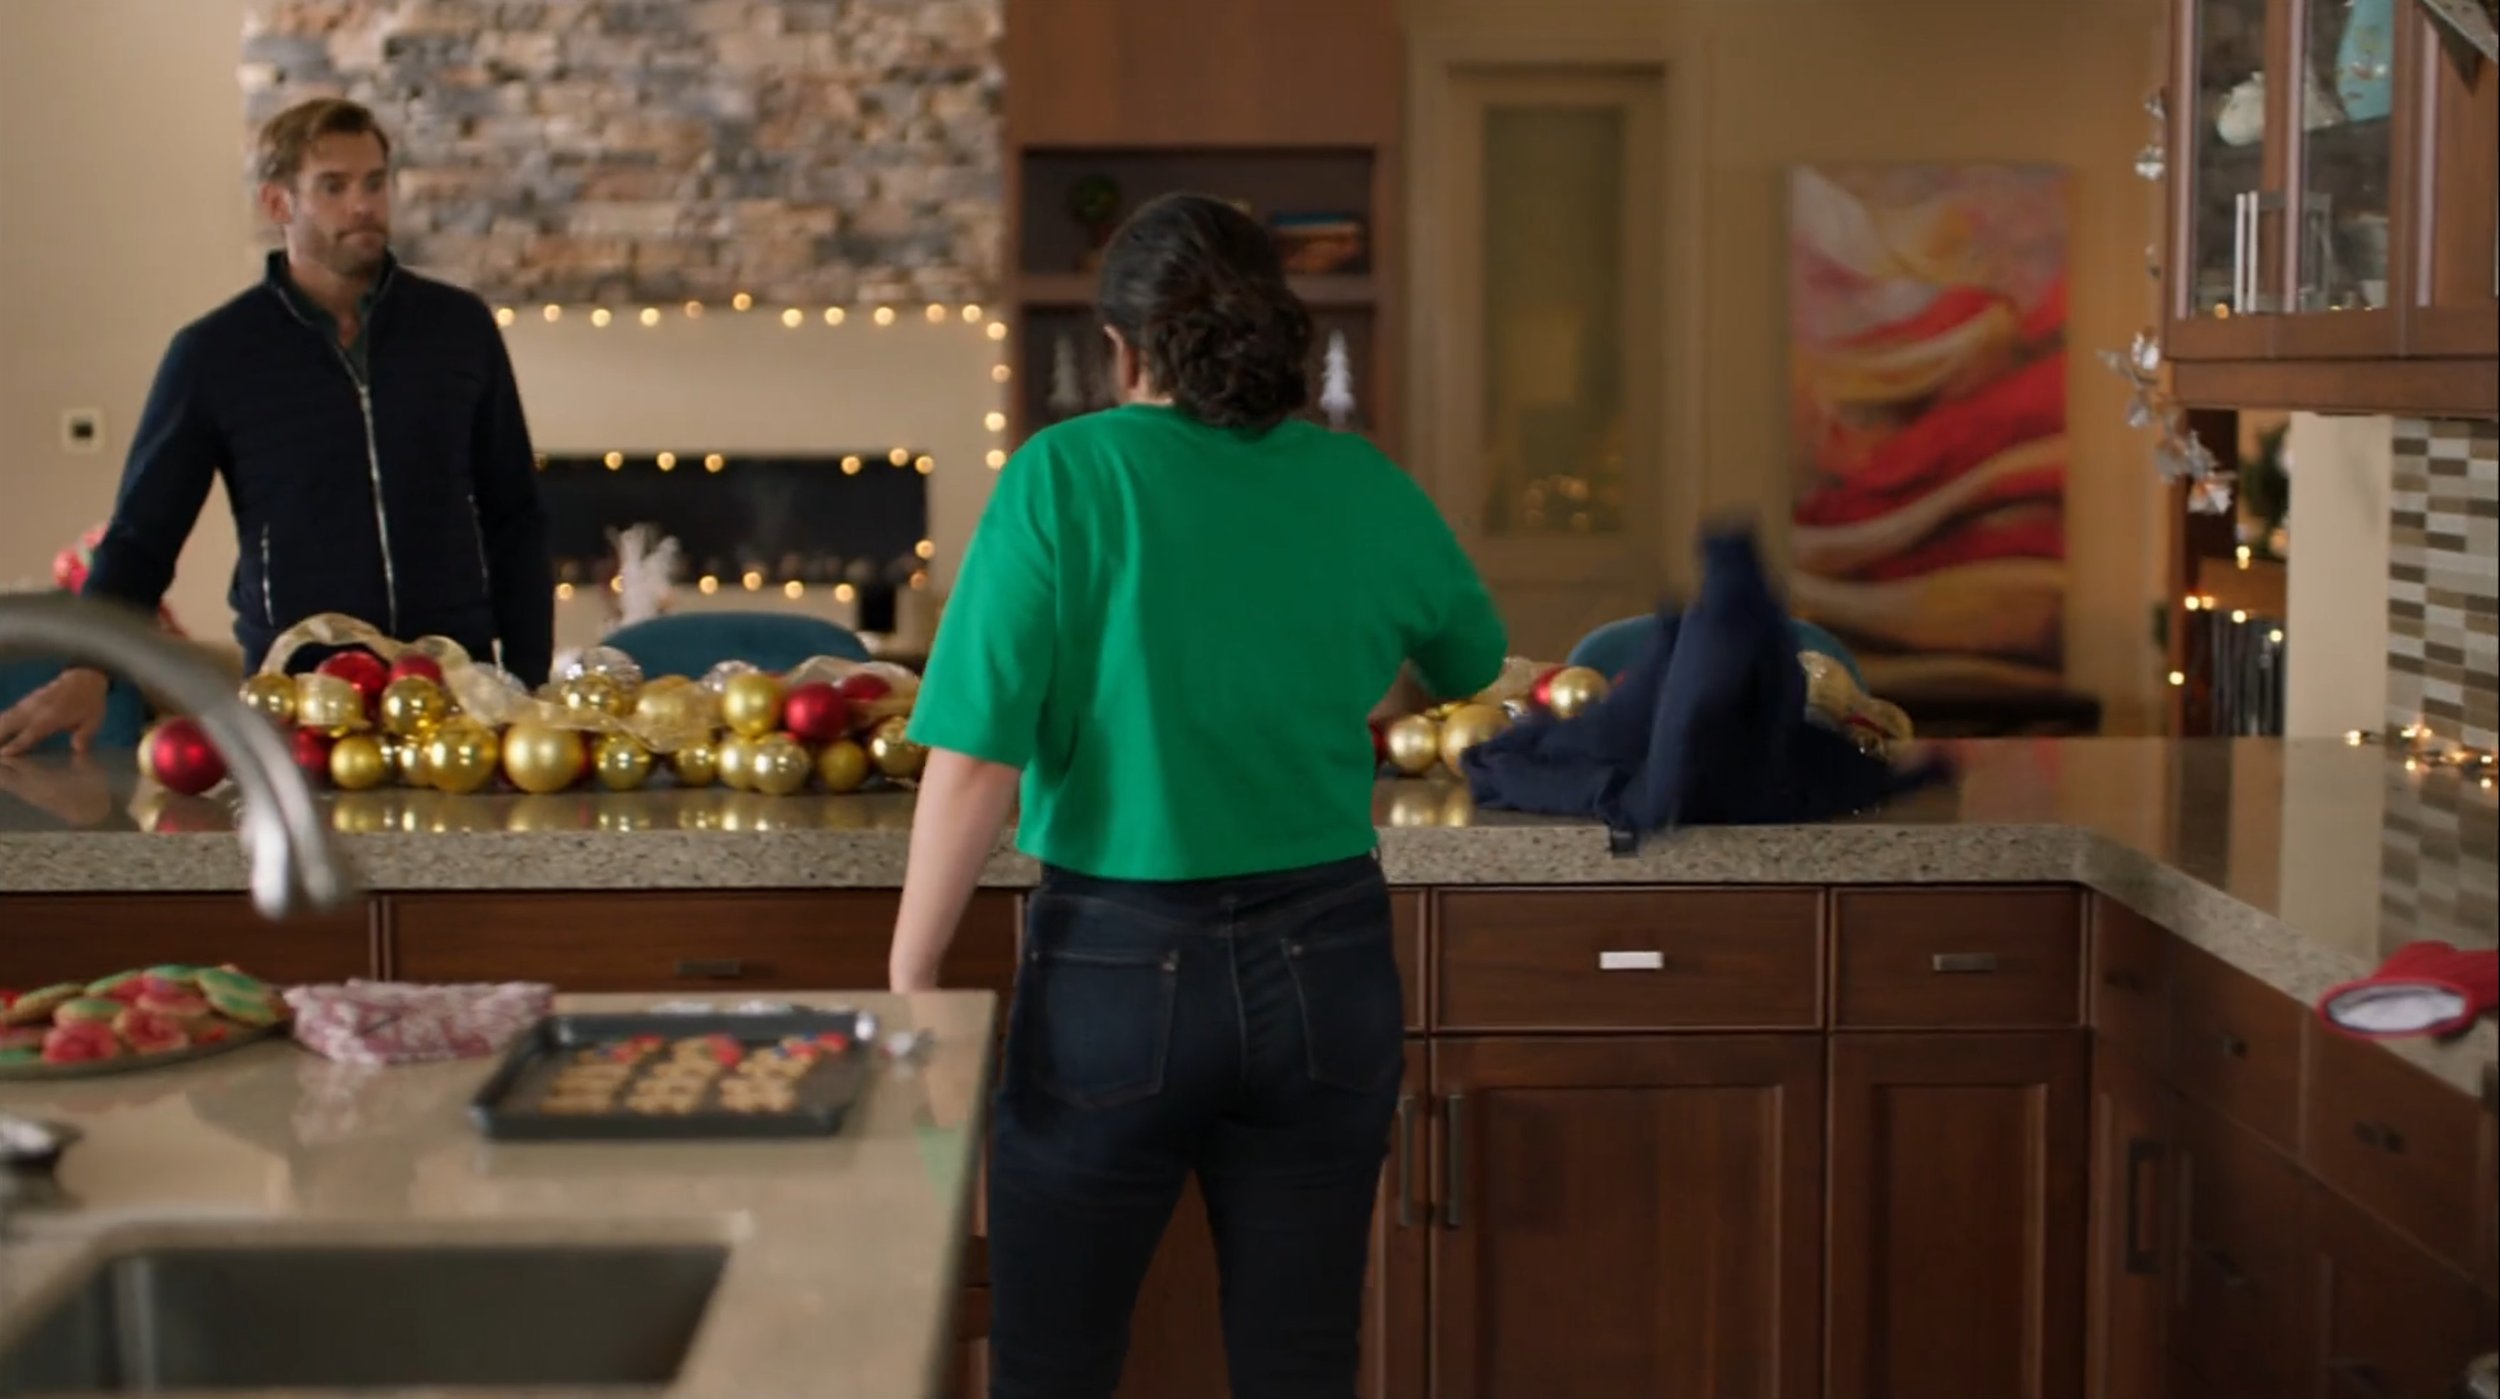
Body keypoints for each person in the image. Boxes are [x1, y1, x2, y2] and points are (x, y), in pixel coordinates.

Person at [888, 193, 1507, 1398]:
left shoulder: (1065, 474)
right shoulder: (1361, 480)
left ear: (1121, 349)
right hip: (1328, 959)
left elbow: (974, 759)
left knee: (1053, 1365)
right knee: (1301, 1364)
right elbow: (1470, 664)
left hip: (1116, 966)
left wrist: (913, 975)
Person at [0, 97, 551, 757]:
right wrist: (87, 670)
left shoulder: (460, 329)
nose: (363, 205)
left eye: (374, 182)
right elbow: (143, 535)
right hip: (299, 706)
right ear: (277, 203)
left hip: (458, 700)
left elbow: (514, 516)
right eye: (333, 187)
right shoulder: (215, 353)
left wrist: (527, 681)